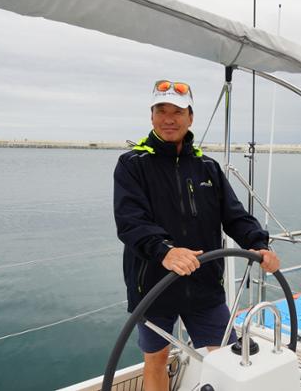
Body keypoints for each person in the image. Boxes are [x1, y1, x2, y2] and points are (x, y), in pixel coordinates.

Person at [113, 79, 280, 391]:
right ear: (151, 117)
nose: (169, 118)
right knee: (156, 360)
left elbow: (235, 216)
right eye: (161, 110)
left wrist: (259, 244)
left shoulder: (208, 168)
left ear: (190, 117)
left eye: (177, 111)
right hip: (153, 285)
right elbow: (130, 222)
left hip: (204, 286)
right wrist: (165, 251)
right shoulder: (132, 164)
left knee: (227, 360)